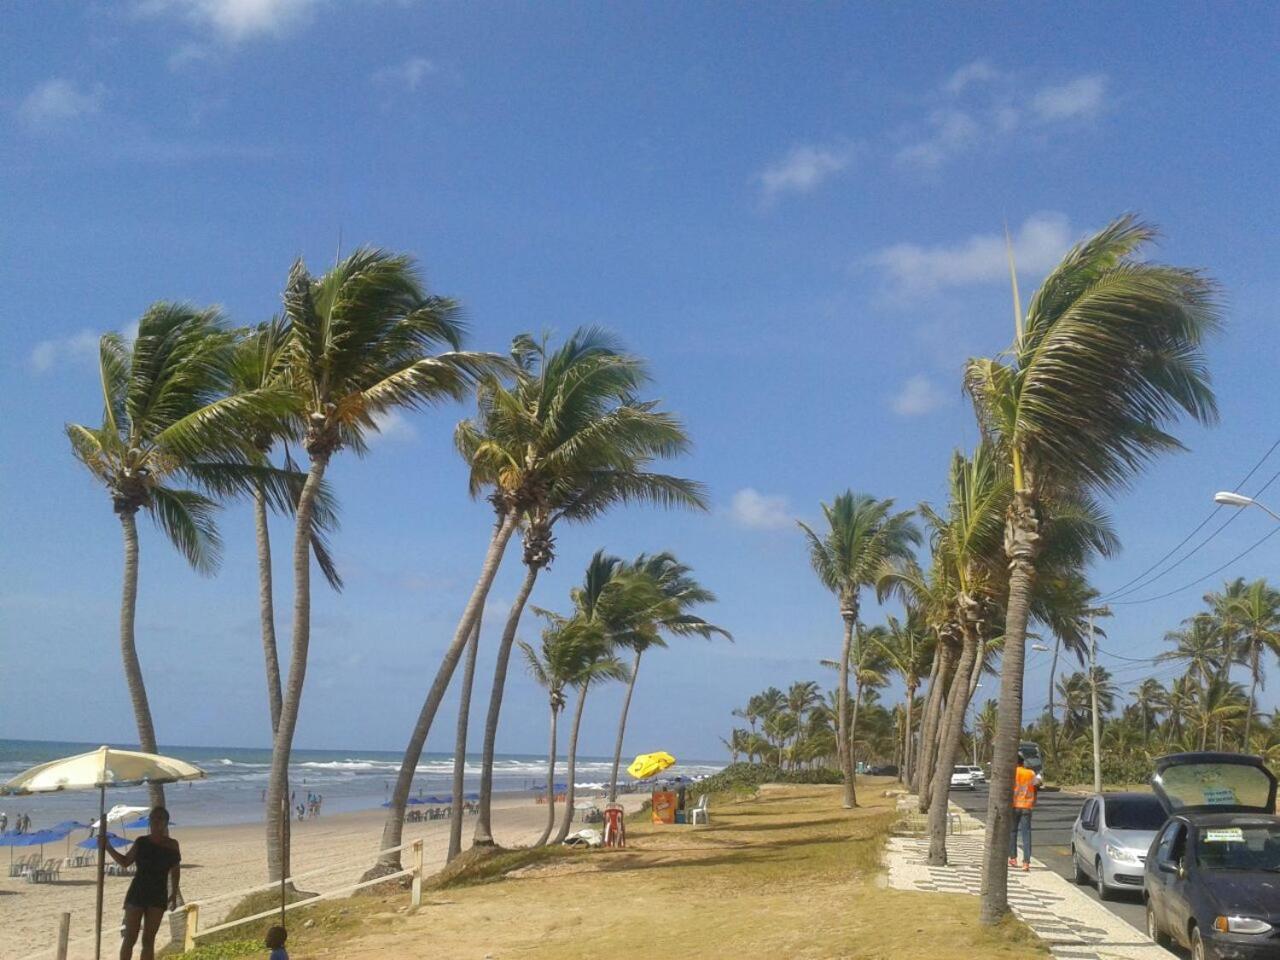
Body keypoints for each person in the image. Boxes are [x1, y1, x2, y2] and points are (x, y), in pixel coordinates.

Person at [103, 805, 181, 960]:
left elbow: (176, 872)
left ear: (166, 822)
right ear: (149, 821)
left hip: (158, 894)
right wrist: (108, 847)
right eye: (153, 818)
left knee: (148, 940)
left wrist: (173, 895)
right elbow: (125, 862)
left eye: (160, 818)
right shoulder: (141, 842)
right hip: (138, 892)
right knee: (130, 937)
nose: (156, 821)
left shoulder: (172, 845)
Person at [1008, 753, 1043, 871]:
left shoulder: (1012, 773)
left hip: (1014, 805)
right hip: (1027, 806)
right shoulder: (1030, 773)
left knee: (1012, 832)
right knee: (1026, 834)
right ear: (1023, 763)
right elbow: (1038, 782)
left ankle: (1013, 858)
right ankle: (1026, 862)